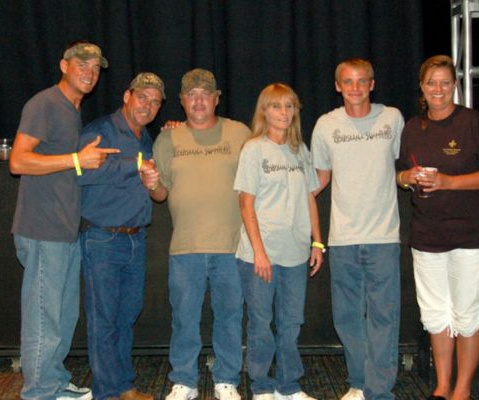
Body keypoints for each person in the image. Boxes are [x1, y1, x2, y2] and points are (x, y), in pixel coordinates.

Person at [10, 41, 118, 400]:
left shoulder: (72, 110)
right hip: (42, 228)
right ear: (64, 65)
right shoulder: (45, 104)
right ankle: (39, 391)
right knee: (45, 316)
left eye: (95, 68)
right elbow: (19, 162)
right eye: (81, 65)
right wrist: (76, 160)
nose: (89, 72)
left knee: (63, 314)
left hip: (64, 230)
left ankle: (53, 382)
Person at [395, 55, 479, 400]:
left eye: (445, 82)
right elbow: (398, 174)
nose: (438, 89)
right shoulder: (413, 127)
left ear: (455, 85)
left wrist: (447, 182)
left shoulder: (473, 123)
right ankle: (442, 388)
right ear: (422, 88)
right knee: (435, 314)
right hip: (427, 236)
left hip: (472, 236)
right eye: (432, 83)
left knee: (466, 313)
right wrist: (408, 177)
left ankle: (462, 390)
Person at [152, 68, 252, 400]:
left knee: (229, 316)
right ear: (181, 100)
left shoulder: (240, 133)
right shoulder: (167, 139)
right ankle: (184, 381)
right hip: (185, 247)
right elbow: (160, 194)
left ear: (216, 98)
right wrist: (150, 184)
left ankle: (226, 379)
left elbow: (255, 186)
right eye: (191, 94)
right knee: (184, 318)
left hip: (232, 245)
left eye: (205, 94)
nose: (198, 100)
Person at [311, 58, 405, 400]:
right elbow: (318, 179)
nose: (355, 88)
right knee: (347, 317)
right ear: (338, 86)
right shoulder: (325, 125)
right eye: (347, 82)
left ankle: (378, 392)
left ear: (372, 84)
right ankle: (360, 382)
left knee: (383, 317)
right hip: (343, 239)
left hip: (383, 238)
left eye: (361, 81)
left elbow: (404, 167)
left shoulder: (392, 119)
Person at [77, 73, 166, 400]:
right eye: (143, 97)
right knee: (104, 320)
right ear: (127, 95)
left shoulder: (145, 137)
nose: (149, 105)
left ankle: (124, 386)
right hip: (103, 238)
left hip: (135, 238)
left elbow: (151, 182)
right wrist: (137, 163)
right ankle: (106, 392)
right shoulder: (100, 131)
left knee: (126, 316)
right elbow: (82, 172)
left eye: (156, 101)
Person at [234, 83, 324, 400]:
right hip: (260, 254)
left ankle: (289, 386)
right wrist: (259, 252)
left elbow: (310, 198)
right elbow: (246, 204)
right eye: (276, 106)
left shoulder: (300, 150)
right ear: (264, 111)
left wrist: (317, 242)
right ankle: (261, 385)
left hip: (296, 253)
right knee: (261, 322)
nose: (283, 113)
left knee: (291, 323)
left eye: (289, 106)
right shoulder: (253, 149)